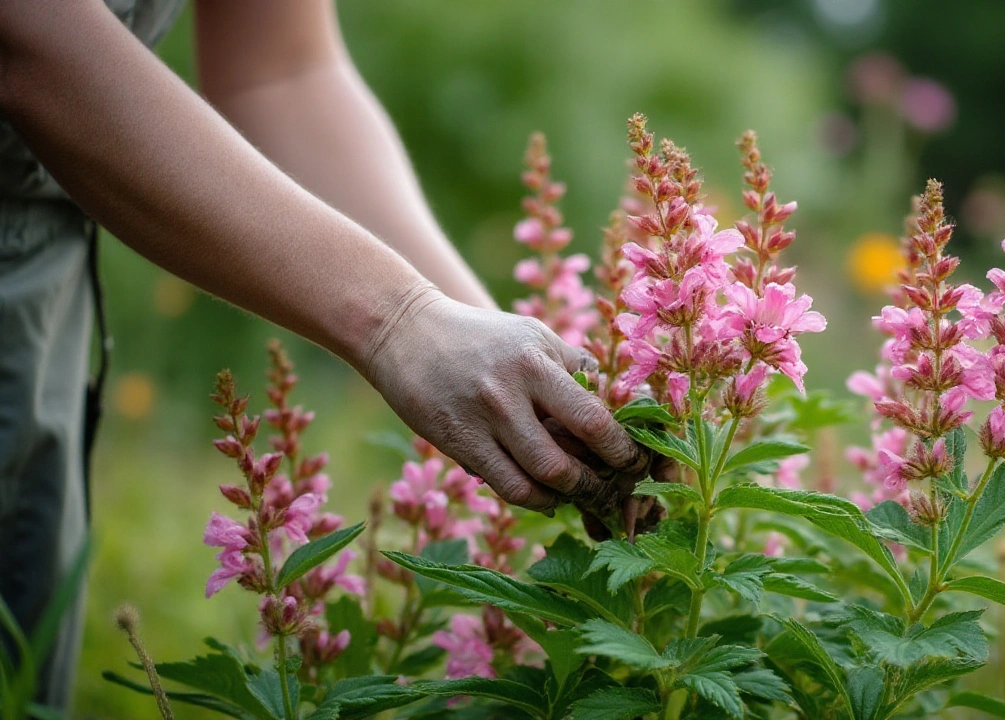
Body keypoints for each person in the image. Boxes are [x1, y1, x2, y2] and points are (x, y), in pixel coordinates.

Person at [0, 0, 645, 707]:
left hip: (42, 258)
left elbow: (280, 73)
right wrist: (397, 320)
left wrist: (523, 385)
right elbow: (27, 38)